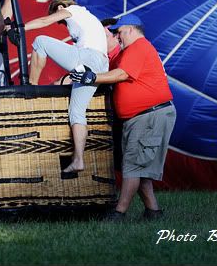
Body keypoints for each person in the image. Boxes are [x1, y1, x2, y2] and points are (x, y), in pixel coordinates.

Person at [70, 13, 176, 220]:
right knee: (138, 168)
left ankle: (119, 213)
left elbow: (121, 74)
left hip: (149, 115)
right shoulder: (126, 53)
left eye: (118, 32)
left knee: (133, 166)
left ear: (129, 29)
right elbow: (111, 66)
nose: (117, 37)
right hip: (139, 117)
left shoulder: (139, 47)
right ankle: (153, 212)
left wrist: (92, 78)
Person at [26, 0, 108, 173]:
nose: (63, 24)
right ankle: (78, 159)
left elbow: (44, 21)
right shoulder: (89, 19)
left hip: (89, 57)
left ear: (60, 6)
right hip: (101, 64)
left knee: (40, 41)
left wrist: (19, 27)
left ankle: (31, 86)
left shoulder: (71, 10)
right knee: (77, 112)